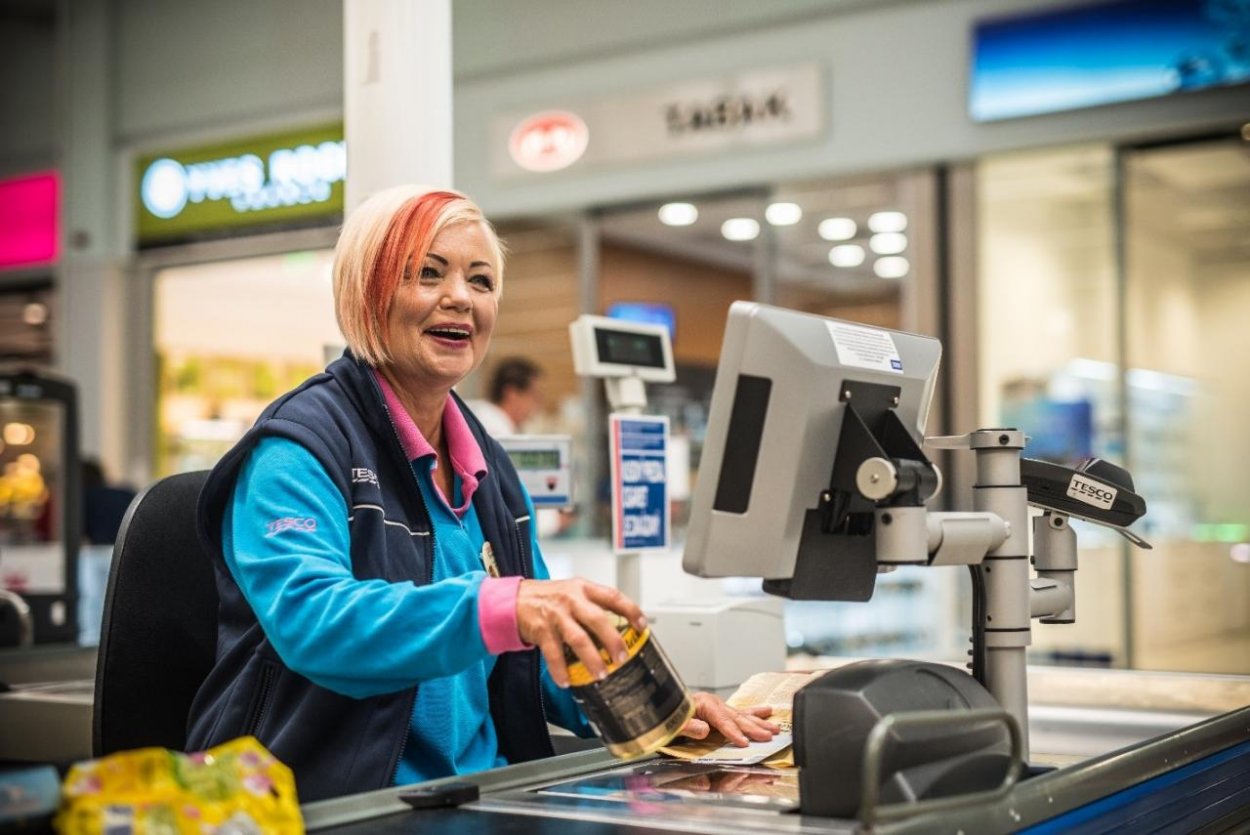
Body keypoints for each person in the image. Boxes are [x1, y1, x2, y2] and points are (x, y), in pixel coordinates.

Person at [185, 185, 778, 803]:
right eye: (428, 273)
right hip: (338, 804)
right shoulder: (297, 449)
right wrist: (504, 607)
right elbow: (315, 624)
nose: (460, 299)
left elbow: (553, 647)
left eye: (481, 281)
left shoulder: (486, 464)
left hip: (479, 792)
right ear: (366, 291)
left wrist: (661, 713)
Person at [469, 356, 545, 437]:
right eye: (533, 395)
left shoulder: (497, 421)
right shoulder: (493, 428)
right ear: (512, 394)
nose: (536, 404)